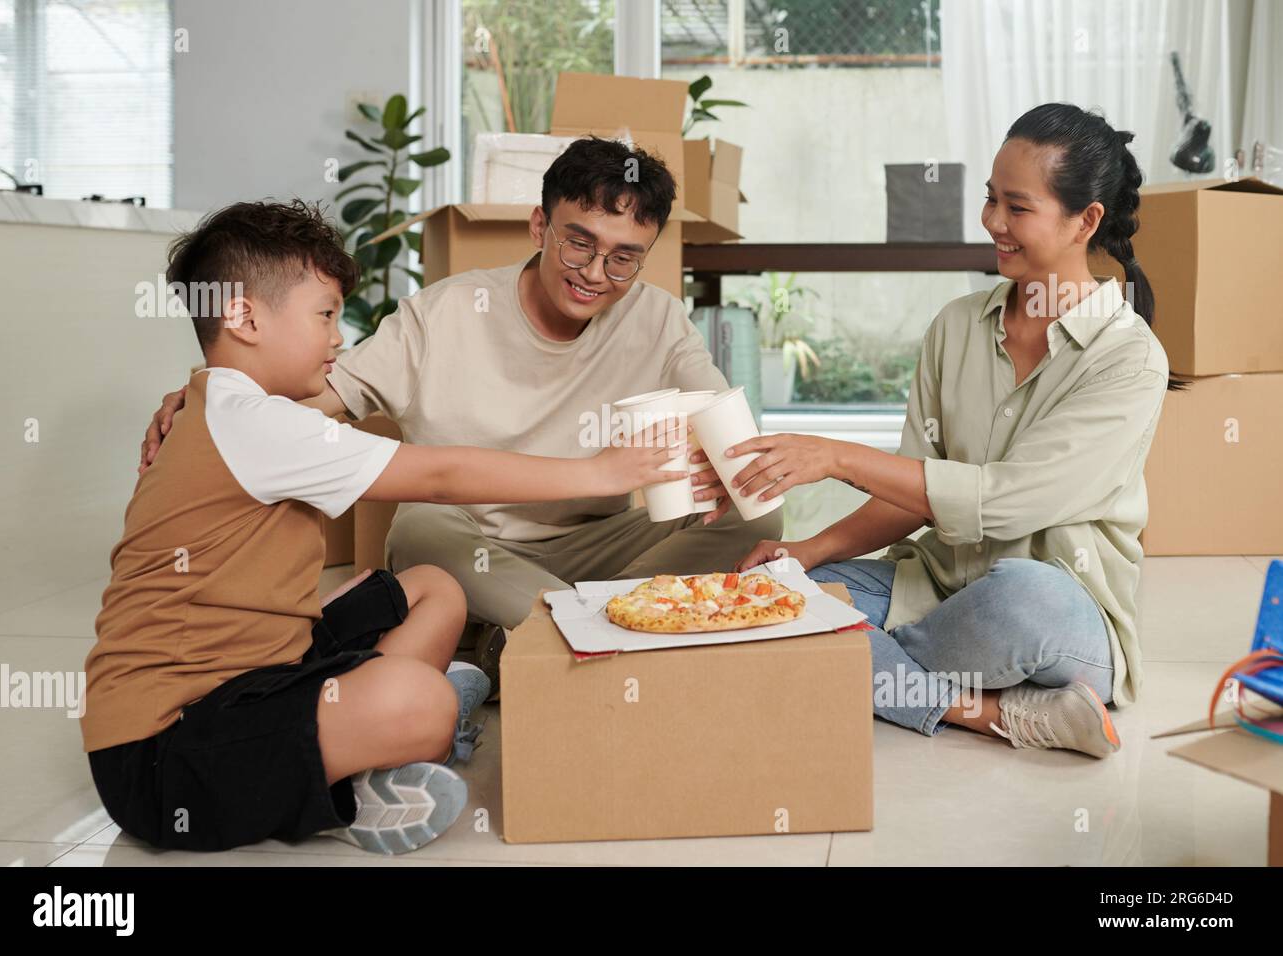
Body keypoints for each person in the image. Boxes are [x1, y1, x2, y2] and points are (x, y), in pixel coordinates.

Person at [85, 199, 686, 855]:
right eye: (325, 316)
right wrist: (599, 473)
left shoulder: (230, 405)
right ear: (244, 317)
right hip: (163, 754)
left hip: (257, 677)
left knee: (434, 588)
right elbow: (440, 477)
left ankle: (378, 742)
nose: (339, 338)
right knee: (419, 701)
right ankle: (368, 783)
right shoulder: (256, 421)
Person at [140, 136, 783, 695]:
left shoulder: (657, 316)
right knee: (422, 530)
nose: (593, 272)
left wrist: (731, 469)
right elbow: (312, 395)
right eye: (578, 243)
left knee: (756, 512)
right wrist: (216, 393)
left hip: (592, 549)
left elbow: (722, 417)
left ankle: (543, 629)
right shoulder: (442, 313)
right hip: (471, 542)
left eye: (623, 257)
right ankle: (591, 626)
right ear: (539, 226)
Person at [735, 104, 1175, 759]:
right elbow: (913, 488)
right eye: (991, 199)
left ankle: (858, 666)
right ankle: (983, 710)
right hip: (936, 589)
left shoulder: (1128, 358)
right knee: (766, 594)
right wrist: (810, 550)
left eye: (1017, 207)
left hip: (1054, 613)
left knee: (1022, 598)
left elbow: (1006, 502)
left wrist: (835, 457)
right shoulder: (957, 325)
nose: (993, 222)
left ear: (1086, 221)